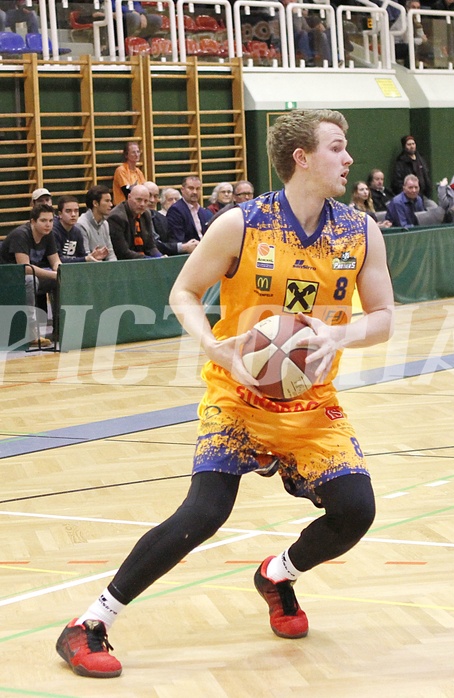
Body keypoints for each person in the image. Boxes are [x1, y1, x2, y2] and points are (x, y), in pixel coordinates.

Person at [55, 108, 394, 679]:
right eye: (338, 147)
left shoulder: (361, 230)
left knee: (356, 511)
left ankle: (277, 575)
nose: (349, 158)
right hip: (238, 393)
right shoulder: (241, 223)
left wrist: (339, 333)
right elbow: (184, 292)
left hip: (310, 402)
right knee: (204, 513)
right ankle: (88, 623)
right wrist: (213, 346)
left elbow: (383, 318)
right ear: (301, 158)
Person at [0, 203, 59, 348]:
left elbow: (55, 260)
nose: (48, 224)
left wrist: (60, 272)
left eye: (51, 221)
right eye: (43, 221)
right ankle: (30, 331)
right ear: (33, 221)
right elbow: (25, 268)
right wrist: (53, 275)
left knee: (60, 281)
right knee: (30, 280)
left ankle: (60, 328)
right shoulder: (21, 234)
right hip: (7, 279)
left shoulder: (48, 234)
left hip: (28, 277)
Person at [107, 184, 163, 260]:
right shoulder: (117, 217)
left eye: (146, 201)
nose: (142, 204)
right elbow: (122, 252)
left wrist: (160, 257)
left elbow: (150, 246)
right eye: (139, 200)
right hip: (126, 263)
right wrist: (149, 259)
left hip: (143, 259)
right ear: (129, 197)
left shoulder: (146, 214)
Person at [53, 196, 108, 264]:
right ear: (60, 214)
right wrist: (85, 259)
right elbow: (57, 261)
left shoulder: (77, 231)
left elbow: (82, 256)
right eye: (68, 211)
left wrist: (92, 257)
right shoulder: (53, 231)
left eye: (76, 211)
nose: (73, 214)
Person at [166, 176, 213, 255]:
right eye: (191, 188)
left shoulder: (203, 212)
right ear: (182, 190)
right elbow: (178, 240)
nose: (195, 192)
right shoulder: (176, 210)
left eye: (198, 189)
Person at [77, 185, 117, 262]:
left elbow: (110, 253)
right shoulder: (81, 224)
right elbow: (86, 257)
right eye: (107, 201)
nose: (111, 205)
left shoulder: (105, 224)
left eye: (110, 201)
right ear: (95, 203)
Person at [391, 134, 432, 199]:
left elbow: (426, 176)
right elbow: (397, 182)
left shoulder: (421, 159)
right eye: (409, 144)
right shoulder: (400, 162)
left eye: (413, 144)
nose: (412, 146)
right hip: (409, 197)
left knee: (434, 207)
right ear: (404, 146)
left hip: (423, 196)